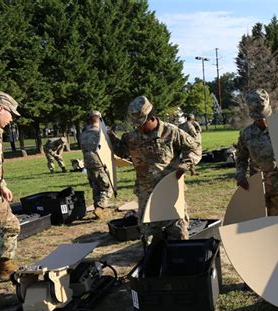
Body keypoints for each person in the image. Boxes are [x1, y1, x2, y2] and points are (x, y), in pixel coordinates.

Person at [109, 95, 198, 249]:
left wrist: (186, 164)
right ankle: (153, 265)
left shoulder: (171, 132)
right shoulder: (131, 137)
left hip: (170, 190)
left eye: (142, 123)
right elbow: (121, 151)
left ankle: (181, 264)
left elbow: (194, 147)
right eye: (136, 124)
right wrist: (108, 136)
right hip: (146, 194)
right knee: (149, 235)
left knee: (178, 231)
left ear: (152, 117)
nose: (139, 127)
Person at [0, 90, 21, 311]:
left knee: (11, 226)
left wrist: (2, 184)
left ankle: (5, 266)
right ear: (0, 108)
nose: (11, 119)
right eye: (10, 113)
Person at [235, 89, 278, 216]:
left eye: (263, 117)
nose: (262, 121)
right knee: (258, 225)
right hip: (256, 187)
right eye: (258, 118)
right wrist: (240, 175)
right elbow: (241, 157)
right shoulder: (247, 134)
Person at [80, 111, 113, 219]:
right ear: (99, 119)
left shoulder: (83, 132)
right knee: (106, 188)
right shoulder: (101, 132)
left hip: (87, 162)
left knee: (95, 187)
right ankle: (100, 207)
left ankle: (97, 210)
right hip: (99, 162)